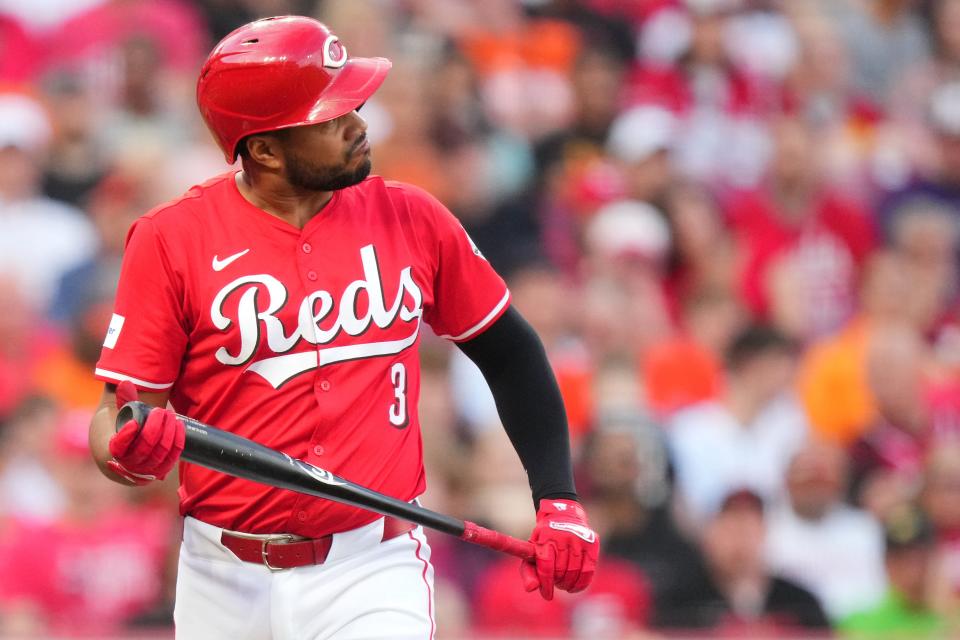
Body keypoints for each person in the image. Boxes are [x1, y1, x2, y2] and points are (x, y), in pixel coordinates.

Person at [87, 16, 598, 640]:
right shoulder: (172, 238)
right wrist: (131, 454)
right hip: (221, 574)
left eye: (352, 104)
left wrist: (558, 497)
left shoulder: (411, 216)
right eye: (329, 117)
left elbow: (510, 352)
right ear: (265, 149)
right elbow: (119, 419)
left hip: (371, 566)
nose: (359, 125)